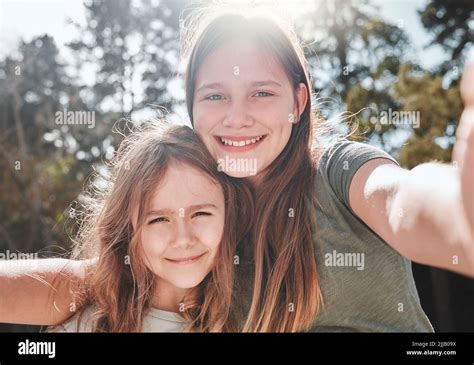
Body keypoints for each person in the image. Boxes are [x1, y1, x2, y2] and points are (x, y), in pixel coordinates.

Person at [1, 7, 473, 332]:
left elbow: (401, 201)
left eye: (262, 92)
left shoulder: (337, 172)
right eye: (215, 96)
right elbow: (94, 280)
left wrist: (460, 212)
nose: (236, 116)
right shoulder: (204, 204)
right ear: (192, 108)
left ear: (298, 102)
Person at [43, 122, 253, 332]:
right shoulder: (86, 326)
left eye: (200, 214)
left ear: (231, 214)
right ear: (128, 229)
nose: (183, 239)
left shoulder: (260, 316)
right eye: (159, 220)